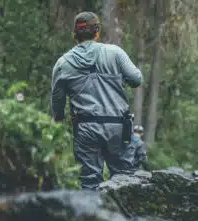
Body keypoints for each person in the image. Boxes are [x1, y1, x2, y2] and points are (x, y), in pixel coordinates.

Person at [51, 11, 143, 190]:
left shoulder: (63, 64)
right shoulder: (115, 53)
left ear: (74, 35)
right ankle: (125, 216)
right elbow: (136, 79)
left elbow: (57, 107)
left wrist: (59, 126)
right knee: (125, 181)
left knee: (90, 183)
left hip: (86, 130)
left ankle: (94, 217)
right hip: (119, 127)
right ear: (97, 32)